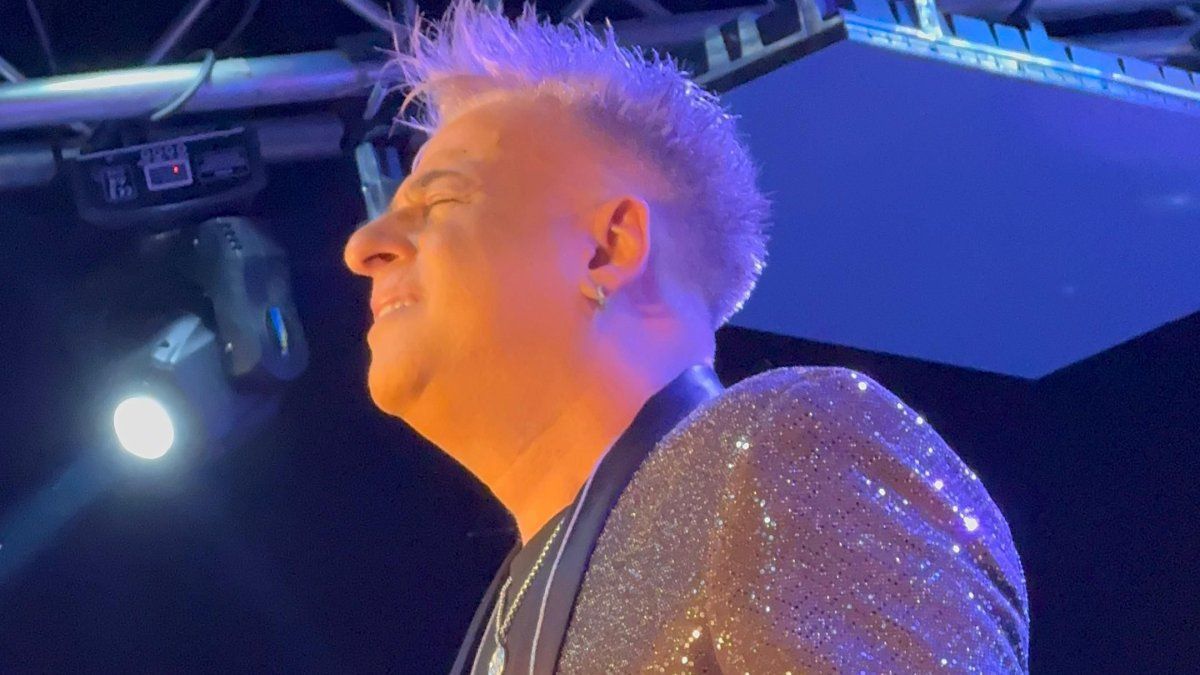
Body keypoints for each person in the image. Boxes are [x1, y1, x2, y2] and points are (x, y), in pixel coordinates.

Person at [342, 0, 1029, 672]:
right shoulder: (512, 610)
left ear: (608, 249)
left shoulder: (788, 450)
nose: (362, 247)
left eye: (440, 200)